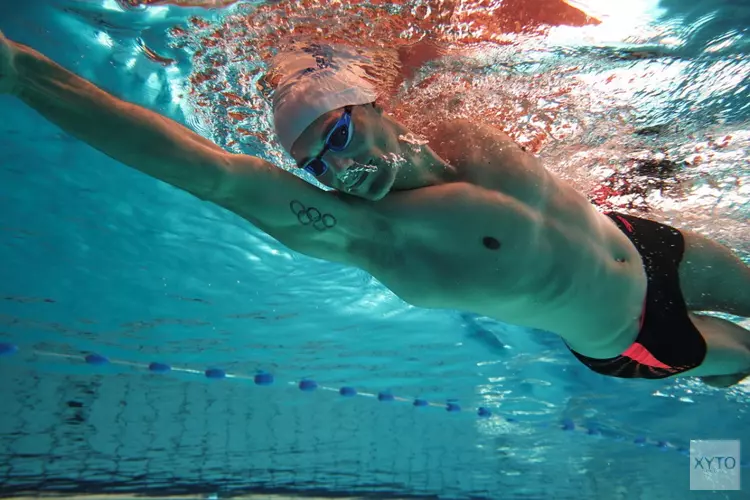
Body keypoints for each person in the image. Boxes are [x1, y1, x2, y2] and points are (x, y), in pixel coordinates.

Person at [2, 31, 749, 387]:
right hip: (639, 334)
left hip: (652, 241)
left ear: (372, 107)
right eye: (312, 162)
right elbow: (214, 174)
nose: (333, 169)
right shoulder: (377, 234)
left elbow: (439, 47)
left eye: (333, 136)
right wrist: (24, 72)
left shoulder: (456, 130)